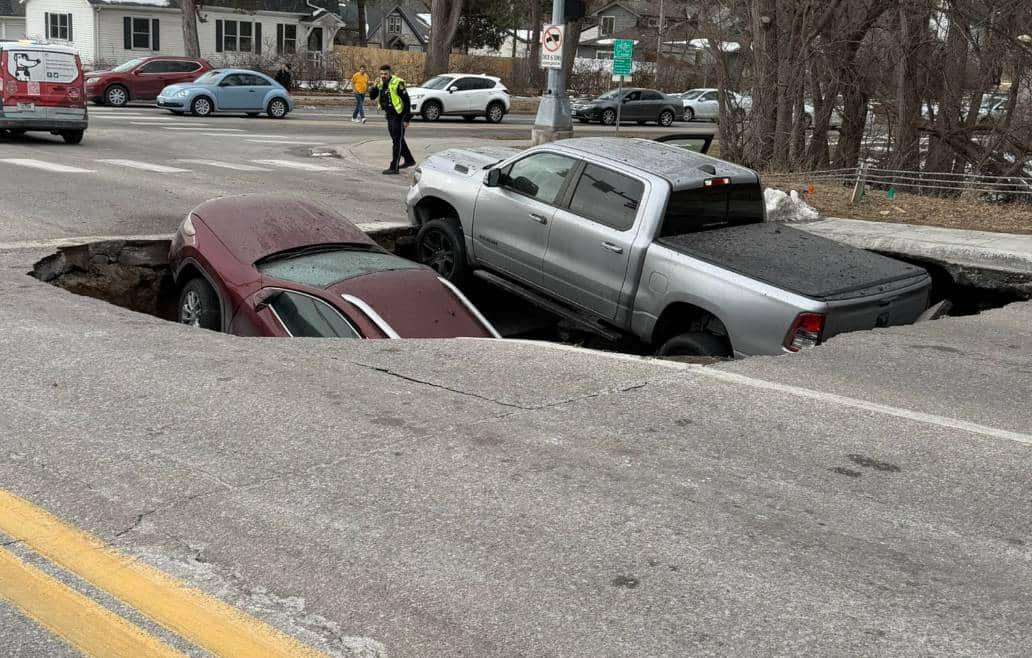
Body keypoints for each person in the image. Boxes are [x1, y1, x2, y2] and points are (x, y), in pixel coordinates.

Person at [368, 64, 415, 175]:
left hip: (399, 116)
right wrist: (374, 86)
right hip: (389, 115)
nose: (383, 76)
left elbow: (407, 101)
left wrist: (407, 119)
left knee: (396, 141)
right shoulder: (380, 83)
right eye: (381, 74)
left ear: (390, 73)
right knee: (398, 139)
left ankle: (394, 167)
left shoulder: (398, 83)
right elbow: (372, 97)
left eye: (385, 73)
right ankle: (409, 160)